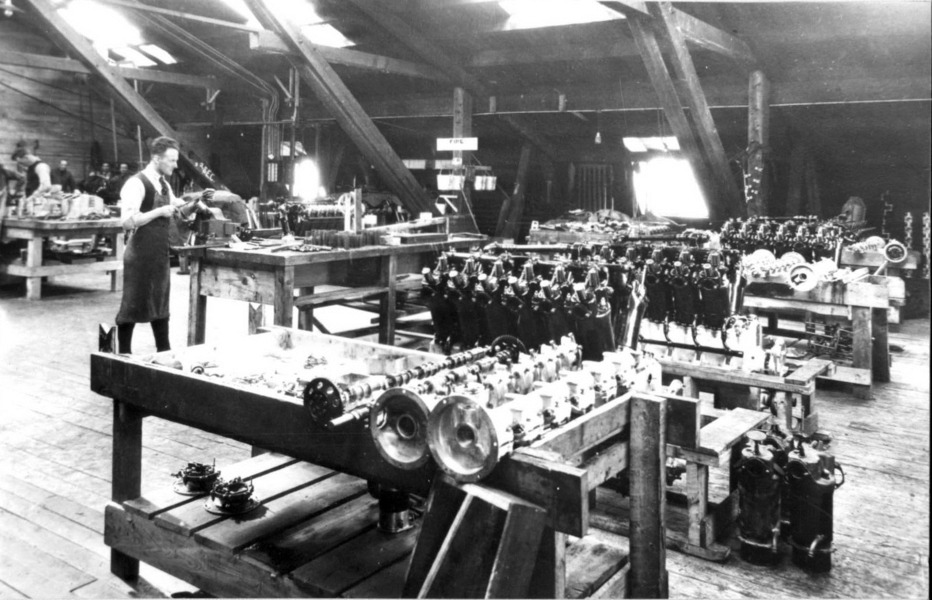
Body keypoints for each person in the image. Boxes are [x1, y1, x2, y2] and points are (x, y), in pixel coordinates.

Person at [115, 137, 187, 354]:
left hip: (159, 255)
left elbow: (176, 205)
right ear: (156, 158)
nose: (175, 165)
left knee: (160, 304)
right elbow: (127, 220)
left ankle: (164, 351)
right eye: (172, 160)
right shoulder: (136, 183)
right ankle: (124, 354)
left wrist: (197, 203)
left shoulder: (163, 183)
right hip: (139, 256)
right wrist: (158, 212)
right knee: (132, 305)